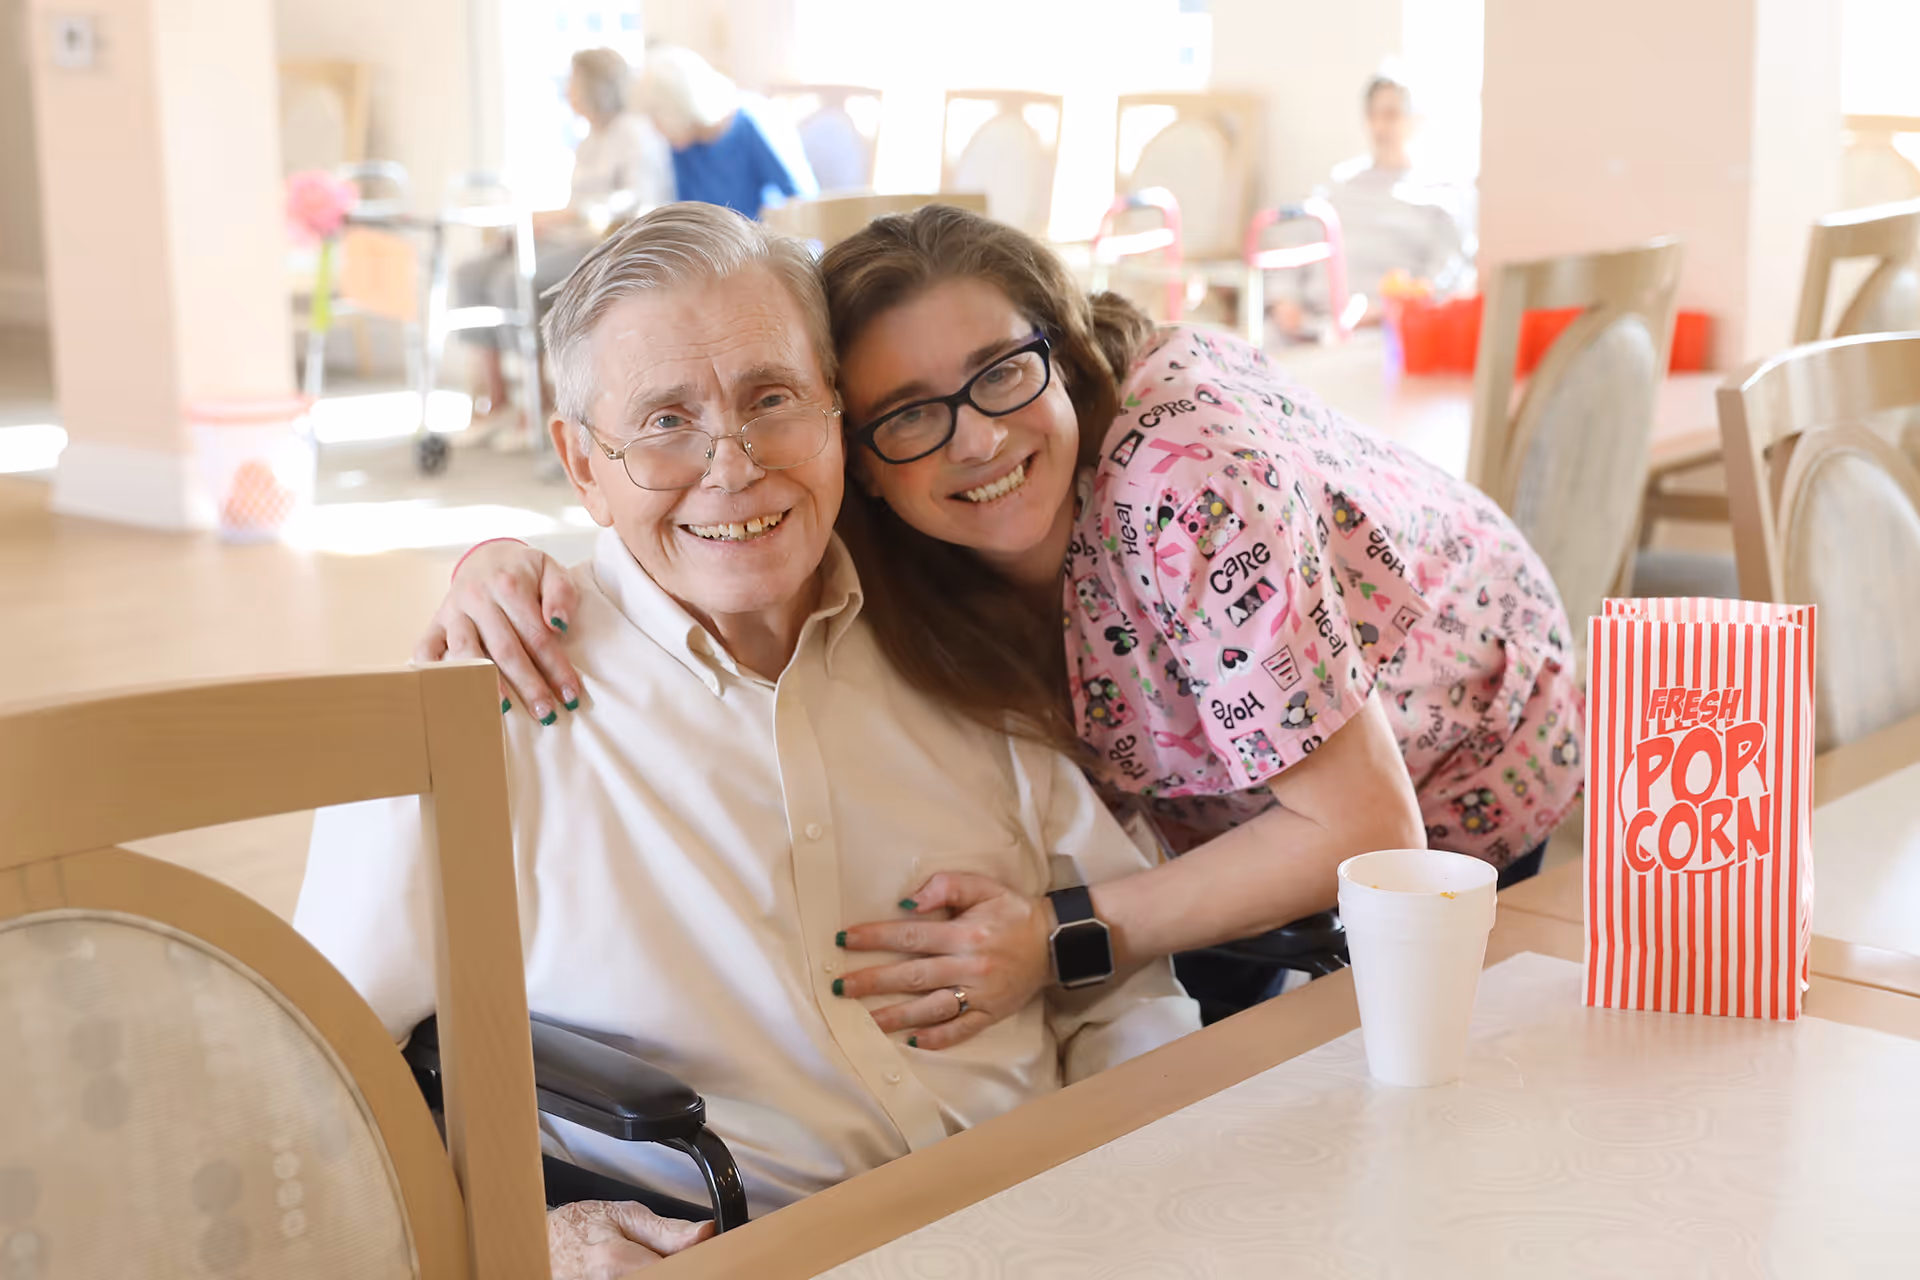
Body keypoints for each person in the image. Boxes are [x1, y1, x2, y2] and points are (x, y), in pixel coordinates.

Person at [428, 203, 1583, 1042]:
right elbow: (707, 507)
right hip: (1237, 815)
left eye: (1001, 373)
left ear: (1064, 351)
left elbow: (1362, 826)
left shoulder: (1184, 481)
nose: (973, 439)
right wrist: (499, 565)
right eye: (910, 413)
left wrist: (1061, 930)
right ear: (854, 440)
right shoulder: (862, 499)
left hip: (1453, 788)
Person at [298, 204, 1199, 1279]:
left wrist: (1156, 1181)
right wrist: (524, 1236)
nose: (731, 465)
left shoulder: (948, 630)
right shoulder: (479, 708)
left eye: (771, 400)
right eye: (664, 421)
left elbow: (1122, 987)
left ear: (835, 413)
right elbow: (312, 1073)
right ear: (582, 465)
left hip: (1068, 1217)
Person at [453, 47, 673, 437]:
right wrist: (543, 224)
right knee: (472, 272)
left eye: (573, 82)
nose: (567, 91)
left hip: (612, 245)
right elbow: (576, 208)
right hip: (573, 237)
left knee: (512, 280)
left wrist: (560, 217)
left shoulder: (634, 133)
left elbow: (636, 204)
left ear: (595, 86)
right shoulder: (589, 140)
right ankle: (497, 400)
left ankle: (537, 408)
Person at [1275, 71, 1474, 338]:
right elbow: (1292, 257)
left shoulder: (1439, 198)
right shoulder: (1334, 190)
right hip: (1311, 326)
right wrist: (1285, 303)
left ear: (1413, 120)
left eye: (1391, 114)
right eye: (1373, 115)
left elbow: (1445, 280)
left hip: (1384, 329)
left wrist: (1385, 312)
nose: (1381, 127)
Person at [633, 45, 814, 221]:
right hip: (714, 248)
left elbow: (804, 202)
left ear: (680, 109)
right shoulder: (685, 144)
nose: (656, 129)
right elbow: (687, 216)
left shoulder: (753, 123)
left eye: (656, 116)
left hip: (765, 244)